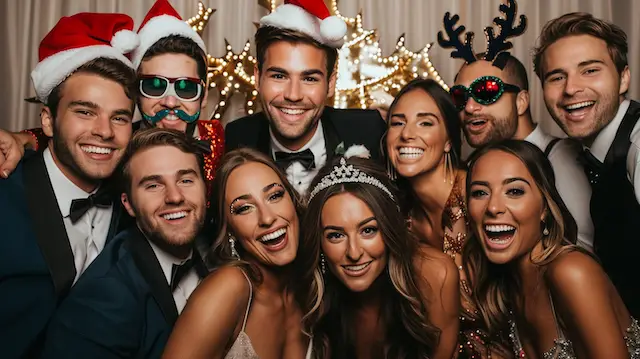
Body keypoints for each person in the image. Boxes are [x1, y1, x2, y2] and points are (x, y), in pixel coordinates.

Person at [0, 13, 138, 358]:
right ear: (48, 120)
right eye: (85, 112)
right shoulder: (5, 193)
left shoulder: (133, 204)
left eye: (119, 117)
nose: (105, 131)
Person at [0, 0, 225, 185]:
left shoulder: (225, 139)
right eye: (154, 86)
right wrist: (26, 139)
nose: (170, 101)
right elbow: (68, 136)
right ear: (135, 94)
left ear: (204, 95)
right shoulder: (115, 145)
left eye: (186, 87)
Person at [40, 128, 210, 358]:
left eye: (186, 180)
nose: (175, 196)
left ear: (205, 190)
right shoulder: (104, 298)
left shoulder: (219, 251)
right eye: (153, 185)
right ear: (128, 204)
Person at [438, 0, 594, 250]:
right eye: (459, 96)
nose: (469, 108)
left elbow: (582, 251)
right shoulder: (474, 167)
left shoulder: (560, 159)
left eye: (486, 91)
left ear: (521, 102)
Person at [464, 139, 640, 359]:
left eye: (515, 191)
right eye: (480, 193)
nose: (493, 207)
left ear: (544, 208)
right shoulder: (508, 284)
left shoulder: (571, 272)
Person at [385, 78, 512, 359]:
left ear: (448, 142)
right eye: (397, 122)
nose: (407, 134)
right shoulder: (397, 216)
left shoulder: (479, 198)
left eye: (425, 122)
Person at [162, 148, 317, 358]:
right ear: (230, 230)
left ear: (293, 201)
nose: (267, 218)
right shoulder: (228, 287)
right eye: (244, 208)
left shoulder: (312, 288)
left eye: (275, 196)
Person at [533, 12, 640, 317]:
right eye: (557, 77)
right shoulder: (582, 154)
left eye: (590, 70)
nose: (570, 89)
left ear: (623, 78)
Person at [300, 155, 459, 359]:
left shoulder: (436, 275)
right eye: (336, 235)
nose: (354, 253)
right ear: (319, 243)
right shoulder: (307, 294)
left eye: (368, 230)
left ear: (389, 229)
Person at [224, 0, 386, 195]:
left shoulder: (368, 131)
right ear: (257, 77)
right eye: (279, 76)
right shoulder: (236, 138)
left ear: (331, 83)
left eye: (309, 78)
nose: (293, 95)